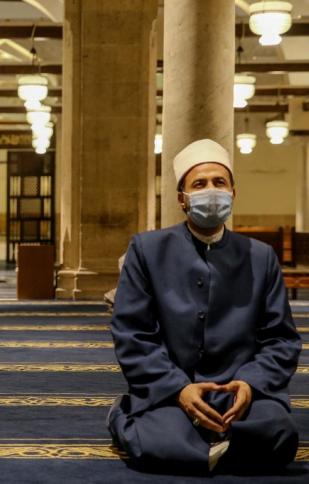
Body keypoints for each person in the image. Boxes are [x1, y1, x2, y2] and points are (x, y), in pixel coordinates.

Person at [107, 139, 301, 474]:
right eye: (199, 184)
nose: (211, 190)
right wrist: (179, 389)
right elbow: (132, 334)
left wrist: (249, 384)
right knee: (160, 443)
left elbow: (282, 339)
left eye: (219, 182)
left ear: (233, 193)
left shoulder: (261, 257)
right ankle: (125, 416)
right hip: (170, 390)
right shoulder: (147, 250)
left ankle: (202, 446)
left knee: (279, 435)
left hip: (239, 392)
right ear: (182, 198)